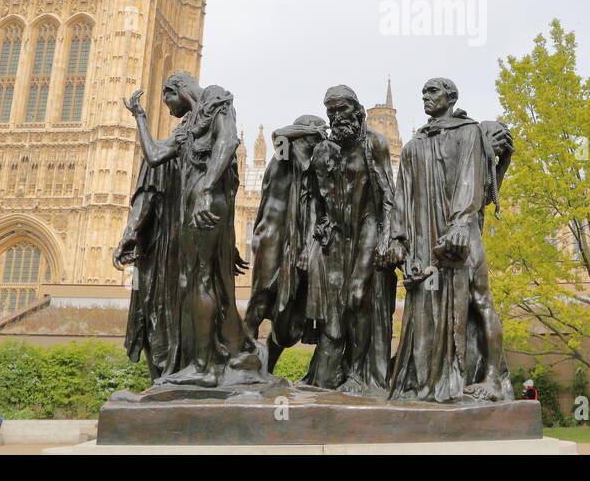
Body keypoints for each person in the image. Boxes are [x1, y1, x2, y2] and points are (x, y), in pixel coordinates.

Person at [113, 73, 264, 387]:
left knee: (195, 280)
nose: (168, 109)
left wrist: (206, 190)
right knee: (205, 283)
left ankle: (204, 367)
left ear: (175, 89)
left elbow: (228, 141)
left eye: (167, 100)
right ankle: (224, 355)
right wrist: (140, 117)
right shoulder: (187, 128)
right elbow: (154, 155)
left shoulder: (216, 99)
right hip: (200, 205)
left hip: (204, 202)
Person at [388, 77, 515, 403]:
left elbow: (471, 181)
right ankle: (428, 380)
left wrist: (459, 223)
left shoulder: (468, 132)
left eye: (432, 92)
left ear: (452, 97)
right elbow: (401, 197)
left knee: (480, 301)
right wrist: (397, 239)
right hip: (425, 240)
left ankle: (493, 380)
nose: (426, 97)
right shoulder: (414, 146)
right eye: (423, 93)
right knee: (425, 306)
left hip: (462, 233)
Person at [299, 85, 399, 394]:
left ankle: (359, 373)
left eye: (342, 109)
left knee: (358, 296)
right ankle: (331, 372)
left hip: (367, 231)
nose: (336, 116)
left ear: (356, 111)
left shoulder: (374, 144)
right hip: (335, 239)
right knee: (334, 310)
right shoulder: (322, 152)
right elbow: (313, 200)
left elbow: (387, 197)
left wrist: (386, 239)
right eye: (331, 111)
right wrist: (309, 241)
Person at [243, 115, 329, 373]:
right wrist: (313, 129)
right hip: (272, 236)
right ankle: (241, 365)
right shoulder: (282, 158)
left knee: (289, 307)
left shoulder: (309, 174)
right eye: (313, 141)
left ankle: (266, 368)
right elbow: (279, 134)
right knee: (262, 296)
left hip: (296, 243)